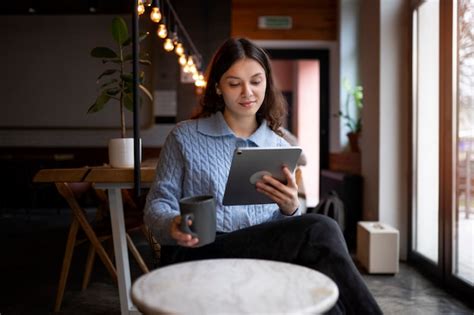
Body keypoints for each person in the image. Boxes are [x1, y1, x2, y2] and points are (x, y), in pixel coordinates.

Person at [144, 37, 382, 314]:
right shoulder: (185, 136)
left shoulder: (279, 146)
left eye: (256, 81)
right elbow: (157, 204)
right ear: (218, 87)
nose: (247, 92)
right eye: (234, 83)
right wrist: (173, 224)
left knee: (329, 307)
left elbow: (280, 226)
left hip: (258, 251)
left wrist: (291, 208)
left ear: (267, 83)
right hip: (199, 249)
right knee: (321, 229)